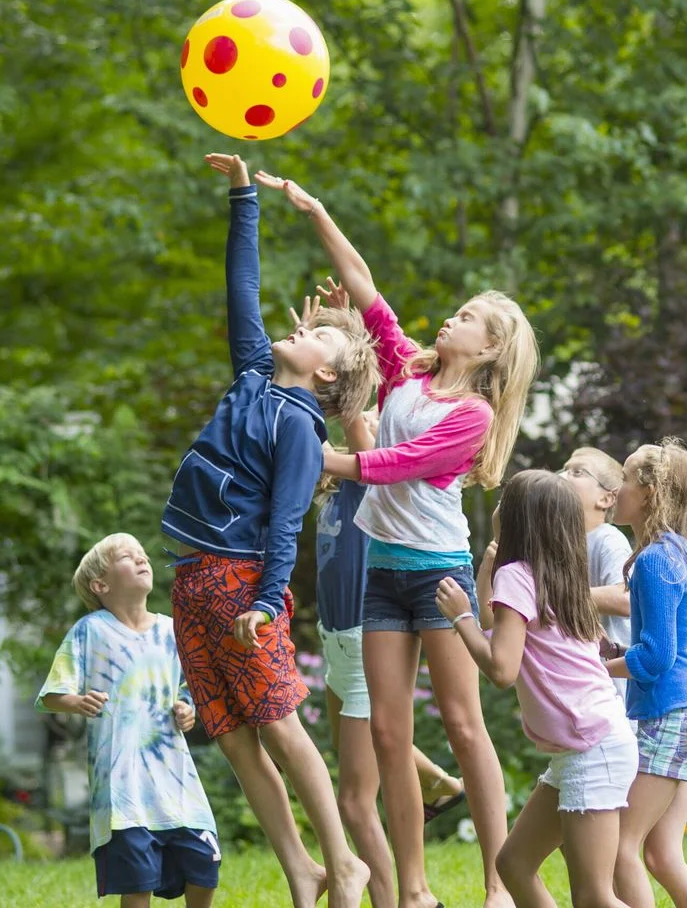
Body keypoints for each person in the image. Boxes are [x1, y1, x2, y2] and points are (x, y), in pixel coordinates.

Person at [257, 168, 538, 908]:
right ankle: (412, 892)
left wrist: (320, 456)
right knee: (387, 736)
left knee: (464, 727)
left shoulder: (472, 415)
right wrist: (315, 208)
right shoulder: (406, 370)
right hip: (382, 571)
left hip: (438, 573)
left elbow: (397, 465)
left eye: (470, 317)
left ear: (490, 347)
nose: (453, 318)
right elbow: (365, 284)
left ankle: (496, 881)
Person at [161, 154, 376, 908]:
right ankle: (301, 869)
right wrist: (243, 195)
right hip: (193, 577)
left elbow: (287, 521)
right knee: (229, 734)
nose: (303, 325)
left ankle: (345, 863)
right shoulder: (255, 373)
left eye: (320, 334)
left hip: (239, 581)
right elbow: (241, 287)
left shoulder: (300, 425)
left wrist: (268, 598)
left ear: (326, 375)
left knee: (279, 725)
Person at [312, 331, 465, 908]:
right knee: (359, 757)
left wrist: (341, 336)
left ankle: (399, 897)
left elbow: (354, 410)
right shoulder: (332, 496)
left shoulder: (367, 488)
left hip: (362, 630)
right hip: (337, 640)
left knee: (354, 797)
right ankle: (436, 781)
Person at [437, 470, 635, 908]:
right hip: (588, 744)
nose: (499, 506)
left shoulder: (521, 576)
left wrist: (459, 618)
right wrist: (486, 574)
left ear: (519, 519)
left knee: (595, 896)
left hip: (592, 747)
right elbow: (499, 628)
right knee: (514, 864)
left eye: (507, 500)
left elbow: (502, 668)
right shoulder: (554, 573)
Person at [38, 534, 220, 908]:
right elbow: (52, 694)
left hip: (177, 783)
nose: (142, 559)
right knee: (137, 884)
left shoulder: (172, 630)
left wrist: (188, 708)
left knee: (205, 866)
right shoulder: (90, 631)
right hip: (122, 793)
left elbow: (189, 689)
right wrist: (77, 701)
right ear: (100, 585)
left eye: (142, 555)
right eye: (126, 556)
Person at [605, 439, 687, 908]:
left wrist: (600, 669)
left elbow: (656, 660)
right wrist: (617, 653)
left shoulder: (656, 560)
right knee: (662, 856)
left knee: (620, 848)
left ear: (651, 491)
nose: (616, 487)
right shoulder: (675, 553)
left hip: (670, 717)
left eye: (626, 476)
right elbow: (660, 649)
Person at [559, 448, 633, 699]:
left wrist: (555, 595)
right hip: (576, 686)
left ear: (606, 499)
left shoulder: (608, 539)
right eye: (564, 469)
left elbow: (625, 599)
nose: (563, 476)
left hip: (611, 694)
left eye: (577, 472)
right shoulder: (559, 544)